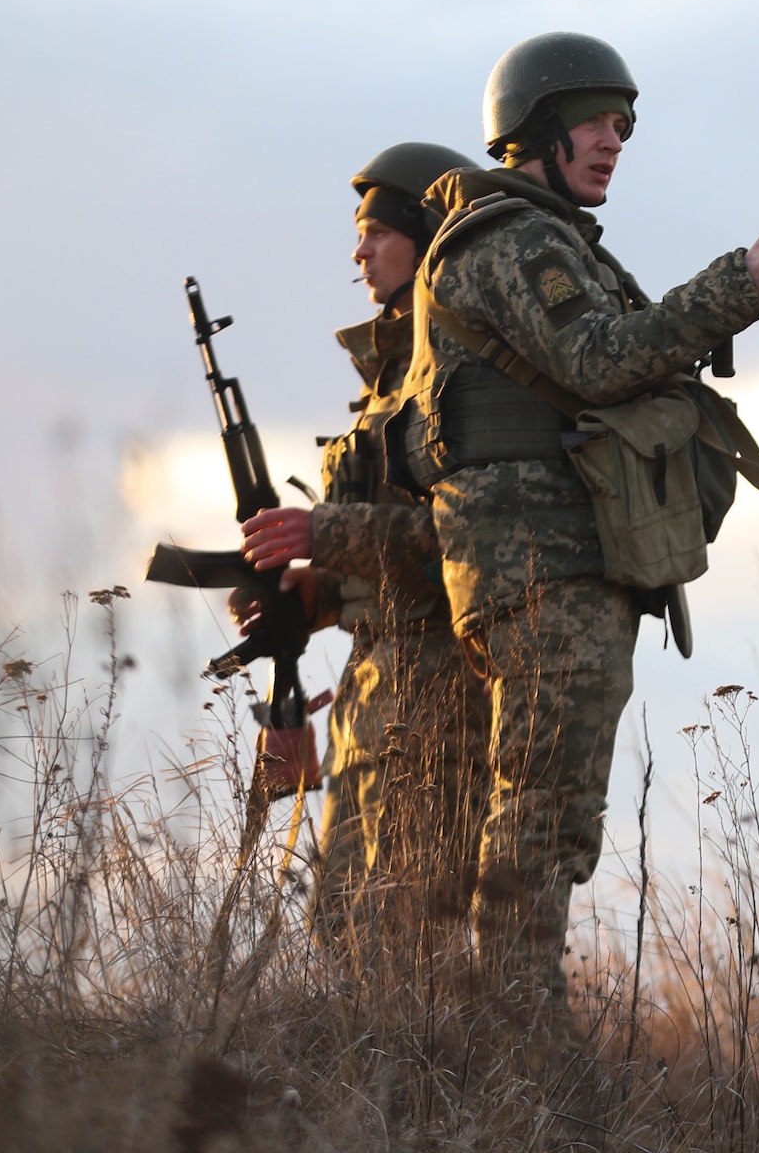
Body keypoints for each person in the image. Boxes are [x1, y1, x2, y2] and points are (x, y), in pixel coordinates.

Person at [377, 31, 759, 1008]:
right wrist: (735, 289)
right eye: (594, 122)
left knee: (553, 805)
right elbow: (599, 359)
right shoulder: (509, 240)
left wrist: (735, 295)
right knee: (541, 810)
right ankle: (513, 1022)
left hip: (562, 563)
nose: (614, 140)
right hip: (540, 566)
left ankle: (509, 1009)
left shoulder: (548, 242)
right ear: (537, 128)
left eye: (623, 126)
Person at [236, 141, 490, 973]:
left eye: (378, 232)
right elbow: (392, 549)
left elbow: (470, 542)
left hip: (443, 700)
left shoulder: (464, 376)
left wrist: (324, 538)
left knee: (405, 951)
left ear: (429, 238)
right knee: (344, 938)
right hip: (376, 696)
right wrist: (311, 595)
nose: (360, 250)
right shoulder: (392, 381)